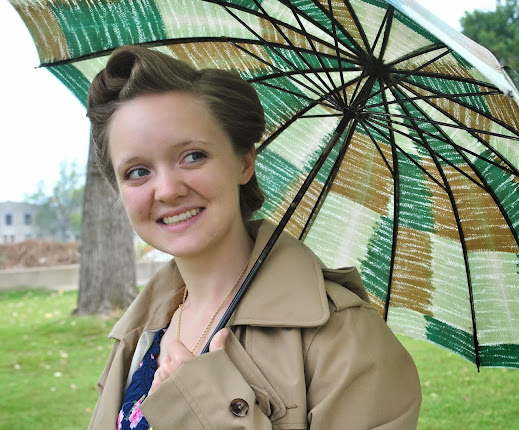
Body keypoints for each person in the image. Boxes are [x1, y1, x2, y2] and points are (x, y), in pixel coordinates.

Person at [86, 45, 421, 430]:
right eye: (137, 171)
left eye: (192, 156)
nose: (166, 190)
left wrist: (209, 409)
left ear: (244, 162)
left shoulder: (345, 340)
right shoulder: (138, 335)